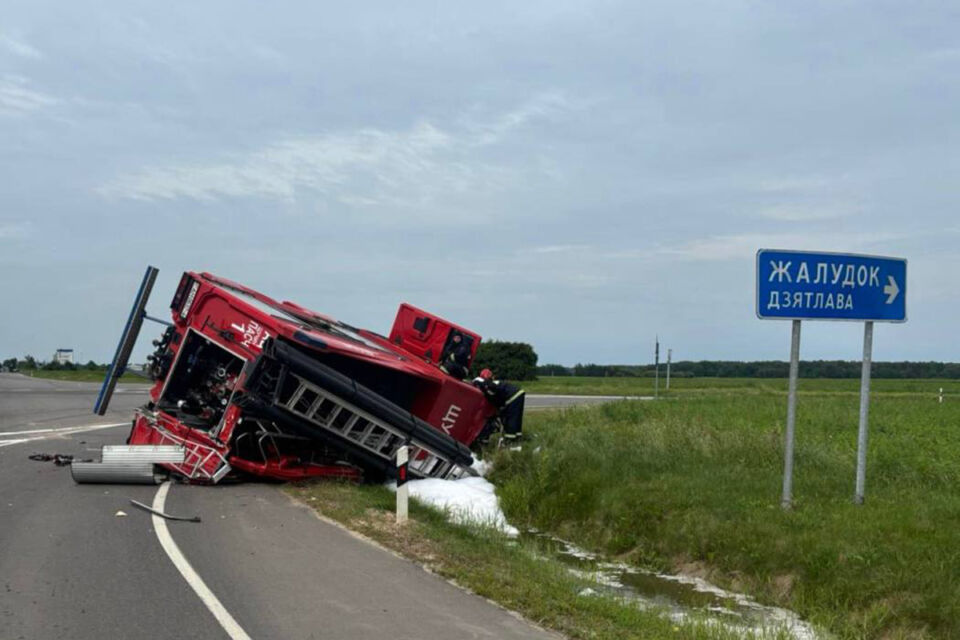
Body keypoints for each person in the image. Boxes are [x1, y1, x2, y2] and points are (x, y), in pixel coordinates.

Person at [472, 368, 525, 444]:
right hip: (518, 394)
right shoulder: (491, 385)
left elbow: (481, 383)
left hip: (512, 396)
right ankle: (517, 438)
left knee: (511, 418)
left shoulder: (486, 384)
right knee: (516, 419)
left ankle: (510, 441)